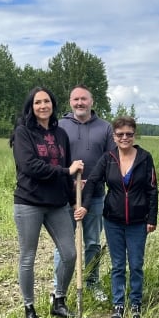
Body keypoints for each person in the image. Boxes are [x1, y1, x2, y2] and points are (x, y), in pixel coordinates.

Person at [10, 86, 84, 318]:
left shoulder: (60, 134)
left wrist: (73, 198)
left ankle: (58, 300)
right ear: (31, 107)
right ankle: (29, 308)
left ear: (53, 105)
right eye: (38, 102)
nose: (43, 106)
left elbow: (66, 172)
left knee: (70, 253)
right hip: (29, 202)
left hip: (57, 204)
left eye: (47, 102)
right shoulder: (23, 132)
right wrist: (66, 170)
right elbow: (30, 166)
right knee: (27, 257)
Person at [74, 116, 158, 318]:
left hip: (138, 222)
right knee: (118, 265)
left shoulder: (145, 158)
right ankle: (119, 305)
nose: (124, 138)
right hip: (113, 220)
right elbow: (92, 181)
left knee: (136, 265)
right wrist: (84, 205)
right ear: (114, 137)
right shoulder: (108, 158)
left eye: (129, 134)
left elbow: (152, 190)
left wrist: (152, 217)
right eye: (120, 134)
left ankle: (136, 304)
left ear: (134, 135)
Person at [52, 84, 115, 303]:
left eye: (84, 99)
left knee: (92, 243)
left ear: (91, 102)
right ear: (70, 102)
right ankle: (59, 289)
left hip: (95, 196)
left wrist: (94, 180)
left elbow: (111, 160)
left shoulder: (105, 128)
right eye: (75, 99)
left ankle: (91, 282)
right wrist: (67, 179)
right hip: (65, 196)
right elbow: (54, 160)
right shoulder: (59, 127)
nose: (80, 103)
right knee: (64, 244)